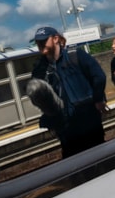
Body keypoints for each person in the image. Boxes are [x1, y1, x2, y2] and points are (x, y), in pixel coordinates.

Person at [25, 25, 108, 158]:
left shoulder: (76, 55)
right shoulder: (40, 68)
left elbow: (99, 76)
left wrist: (98, 100)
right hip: (65, 128)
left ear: (56, 39)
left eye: (44, 40)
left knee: (100, 158)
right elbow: (37, 94)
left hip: (88, 120)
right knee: (74, 165)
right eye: (38, 42)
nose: (40, 44)